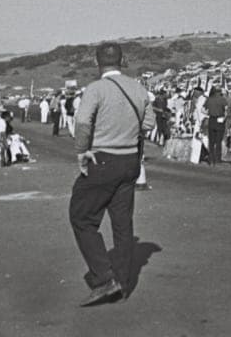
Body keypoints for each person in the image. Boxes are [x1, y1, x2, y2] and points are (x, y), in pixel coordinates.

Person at [69, 43, 155, 306]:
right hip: (130, 161)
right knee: (122, 222)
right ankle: (123, 282)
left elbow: (82, 122)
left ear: (97, 62)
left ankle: (104, 276)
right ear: (122, 61)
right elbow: (149, 124)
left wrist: (81, 151)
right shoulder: (138, 89)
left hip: (103, 159)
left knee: (82, 216)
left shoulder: (96, 89)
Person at [204, 84, 228, 166]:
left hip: (211, 120)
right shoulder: (222, 99)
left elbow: (203, 109)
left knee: (211, 141)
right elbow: (226, 110)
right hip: (220, 119)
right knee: (218, 141)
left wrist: (209, 113)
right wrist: (224, 117)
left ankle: (211, 159)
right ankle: (218, 159)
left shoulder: (209, 99)